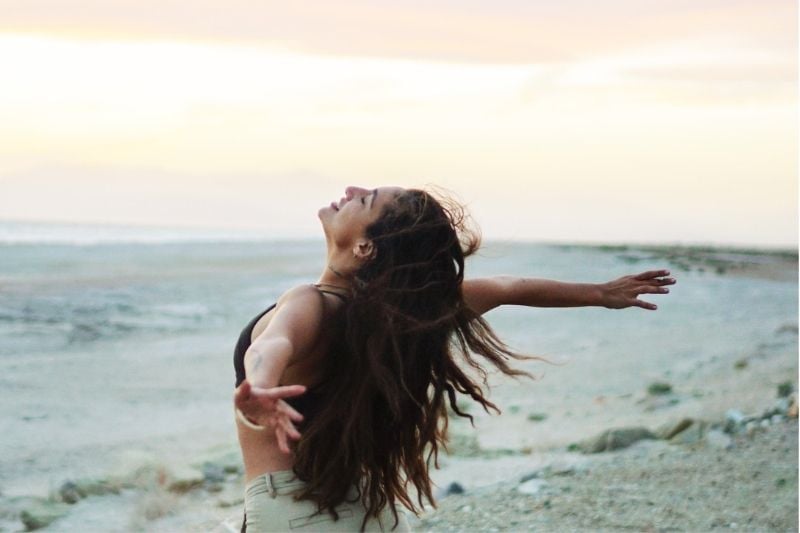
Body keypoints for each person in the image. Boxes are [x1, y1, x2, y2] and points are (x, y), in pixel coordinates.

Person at [232, 185, 675, 532]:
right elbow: (507, 288)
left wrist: (261, 385)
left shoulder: (311, 301)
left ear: (366, 248)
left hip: (290, 510)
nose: (349, 190)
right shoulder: (402, 317)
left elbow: (274, 343)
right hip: (367, 508)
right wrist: (600, 293)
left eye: (363, 200)